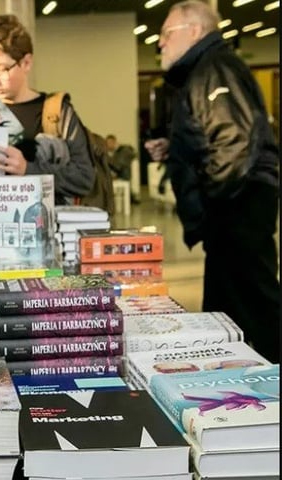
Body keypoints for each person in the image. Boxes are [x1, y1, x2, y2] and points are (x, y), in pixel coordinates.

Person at [144, 1, 280, 361]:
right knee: (232, 314)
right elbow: (214, 137)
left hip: (236, 208)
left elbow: (235, 143)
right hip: (233, 209)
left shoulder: (214, 69)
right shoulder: (205, 71)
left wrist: (209, 202)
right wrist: (177, 150)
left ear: (194, 31)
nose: (159, 44)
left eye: (165, 34)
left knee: (252, 311)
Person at [0, 14, 95, 231]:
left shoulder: (55, 112)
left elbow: (84, 178)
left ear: (26, 62)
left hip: (43, 235)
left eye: (2, 69)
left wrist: (28, 169)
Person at [105, 134, 139, 203]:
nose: (107, 146)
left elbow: (117, 166)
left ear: (113, 142)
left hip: (123, 175)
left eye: (108, 143)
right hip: (120, 173)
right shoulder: (117, 152)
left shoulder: (124, 150)